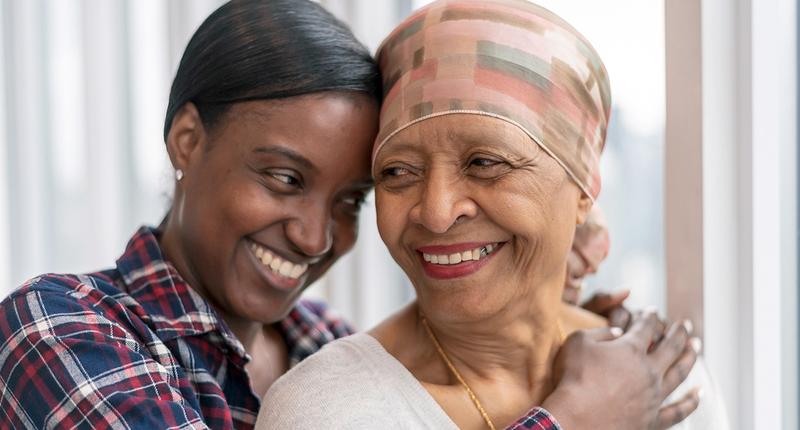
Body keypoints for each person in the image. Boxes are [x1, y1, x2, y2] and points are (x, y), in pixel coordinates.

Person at [0, 1, 696, 429]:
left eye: (352, 199)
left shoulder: (321, 342)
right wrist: (575, 417)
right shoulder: (60, 326)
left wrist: (545, 318)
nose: (313, 234)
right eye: (283, 178)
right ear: (188, 139)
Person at [258, 0, 702, 429]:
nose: (436, 213)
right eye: (398, 171)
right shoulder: (326, 410)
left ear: (584, 188)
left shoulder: (661, 378)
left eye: (485, 163)